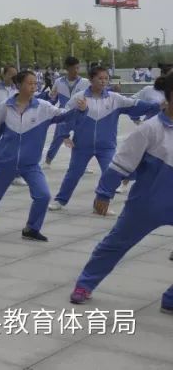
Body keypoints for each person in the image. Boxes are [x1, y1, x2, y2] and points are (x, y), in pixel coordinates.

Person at [68, 73, 172, 308]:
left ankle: (171, 298)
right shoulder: (150, 129)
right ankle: (85, 284)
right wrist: (104, 192)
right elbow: (122, 163)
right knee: (115, 243)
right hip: (148, 204)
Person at [0, 70, 85, 241]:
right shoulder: (5, 106)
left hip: (30, 164)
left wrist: (80, 110)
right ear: (19, 85)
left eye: (35, 83)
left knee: (43, 195)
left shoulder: (43, 107)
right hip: (5, 161)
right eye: (30, 83)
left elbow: (63, 115)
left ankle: (31, 229)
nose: (34, 86)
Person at [48, 66, 160, 211]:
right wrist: (64, 135)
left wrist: (158, 106)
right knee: (73, 174)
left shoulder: (115, 99)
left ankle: (100, 203)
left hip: (106, 146)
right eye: (100, 78)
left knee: (110, 175)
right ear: (91, 79)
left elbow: (136, 105)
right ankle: (60, 200)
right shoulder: (80, 97)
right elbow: (66, 116)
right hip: (82, 146)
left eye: (106, 78)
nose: (103, 81)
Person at [44, 56, 88, 166]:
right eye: (74, 68)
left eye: (78, 68)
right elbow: (53, 99)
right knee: (57, 139)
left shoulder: (85, 82)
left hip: (80, 116)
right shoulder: (58, 82)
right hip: (63, 116)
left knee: (81, 140)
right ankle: (48, 161)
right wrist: (51, 100)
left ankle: (80, 164)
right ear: (67, 68)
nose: (76, 71)